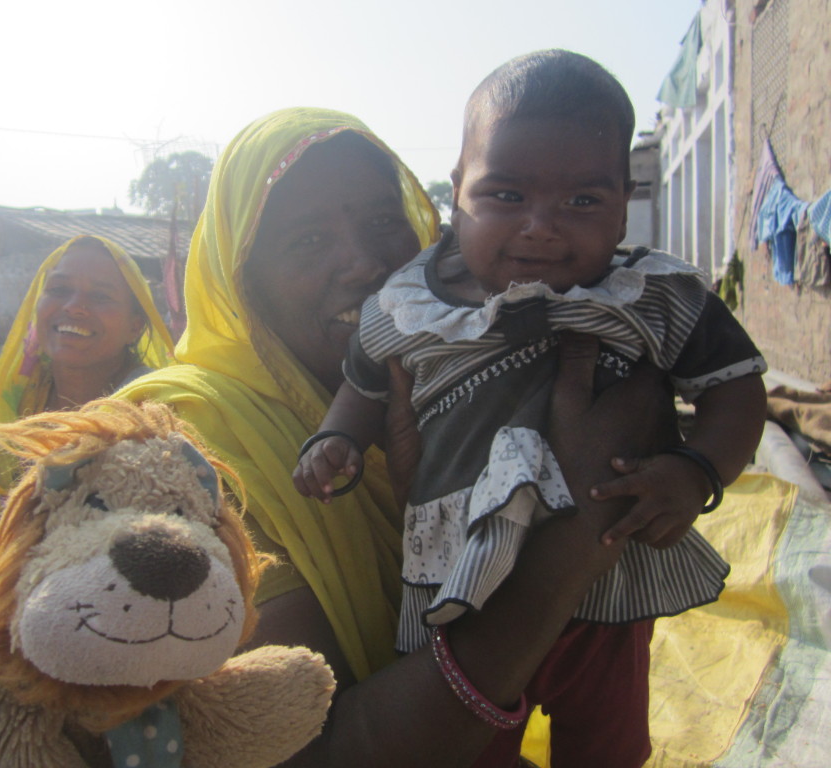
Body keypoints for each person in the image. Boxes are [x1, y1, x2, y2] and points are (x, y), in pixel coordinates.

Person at [116, 106, 680, 767]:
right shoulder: (189, 446)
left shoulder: (458, 377)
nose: (363, 263)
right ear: (244, 281)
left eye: (386, 222)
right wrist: (577, 540)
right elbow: (313, 751)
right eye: (306, 241)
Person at [293, 52, 768, 766]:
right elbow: (364, 387)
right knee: (473, 745)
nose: (541, 227)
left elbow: (736, 390)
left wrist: (696, 469)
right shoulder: (407, 302)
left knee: (606, 746)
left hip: (605, 581)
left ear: (624, 198)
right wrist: (335, 440)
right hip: (457, 584)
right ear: (457, 192)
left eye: (582, 202)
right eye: (506, 196)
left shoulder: (654, 295)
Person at [0, 234, 174, 552]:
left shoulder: (152, 410)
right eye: (59, 290)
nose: (74, 307)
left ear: (135, 326)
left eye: (100, 296)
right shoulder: (22, 394)